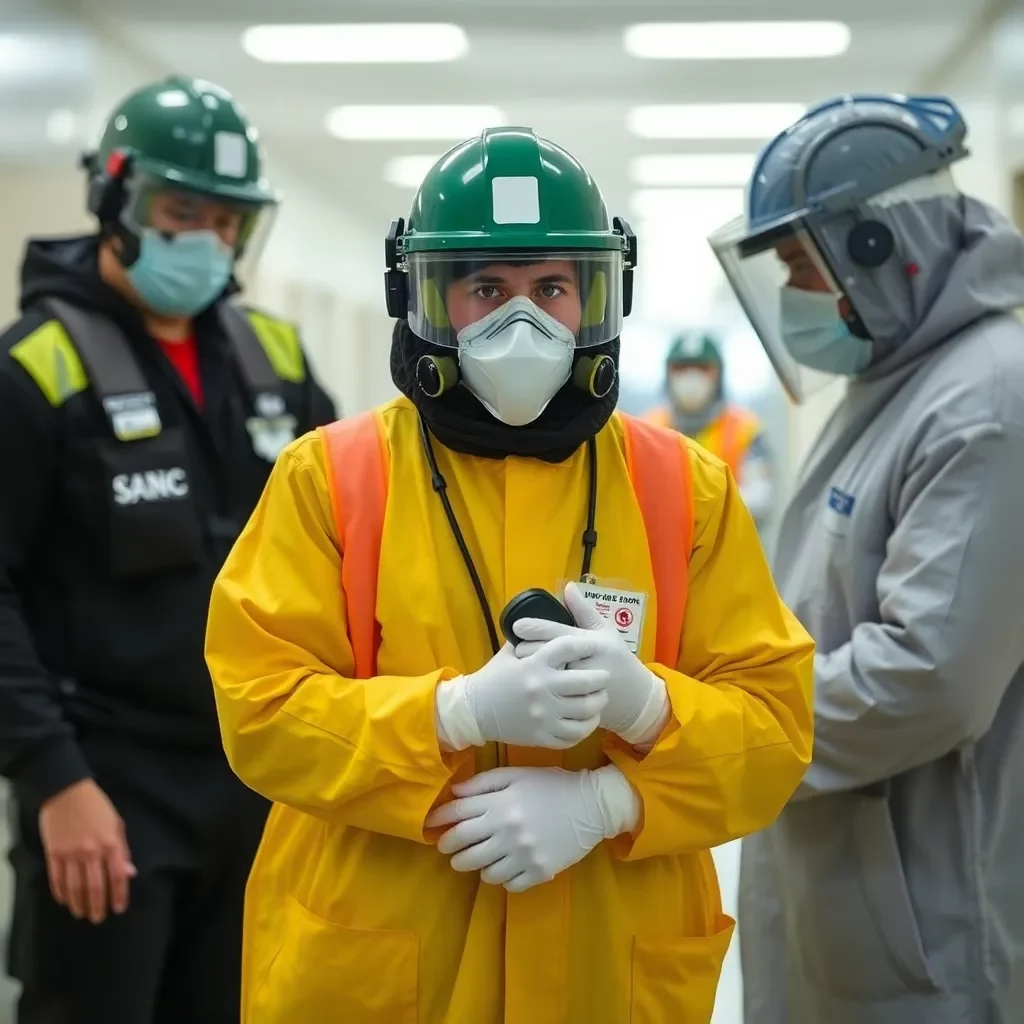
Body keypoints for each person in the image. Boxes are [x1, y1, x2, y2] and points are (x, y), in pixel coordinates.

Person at [205, 125, 814, 1024]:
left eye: (552, 288)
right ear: (425, 300)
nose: (520, 320)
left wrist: (626, 767)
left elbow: (775, 729)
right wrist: (452, 714)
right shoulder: (328, 478)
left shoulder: (685, 487)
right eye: (486, 287)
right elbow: (258, 709)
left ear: (598, 296)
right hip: (384, 965)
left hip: (607, 969)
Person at [0, 75, 336, 1023]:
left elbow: (349, 540)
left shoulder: (273, 357)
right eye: (181, 209)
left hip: (257, 783)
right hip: (108, 787)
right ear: (114, 196)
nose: (207, 240)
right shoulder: (35, 370)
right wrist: (53, 781)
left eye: (229, 220)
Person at [708, 93, 1024, 1024]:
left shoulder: (985, 400)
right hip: (852, 888)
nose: (799, 295)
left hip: (928, 915)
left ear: (881, 246)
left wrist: (723, 728)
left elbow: (928, 677)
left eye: (806, 264)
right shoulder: (899, 376)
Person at [644, 332, 774, 528]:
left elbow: (760, 501)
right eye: (681, 368)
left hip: (729, 554)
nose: (691, 377)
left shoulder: (746, 430)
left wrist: (688, 506)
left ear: (719, 375)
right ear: (667, 374)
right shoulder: (646, 429)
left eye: (703, 368)